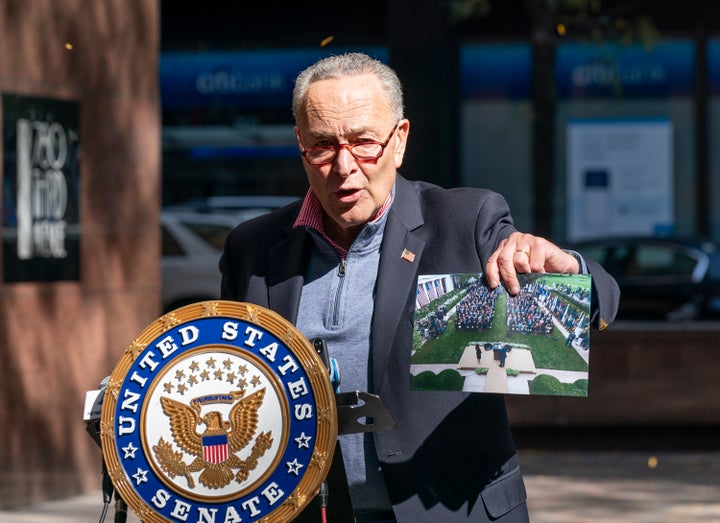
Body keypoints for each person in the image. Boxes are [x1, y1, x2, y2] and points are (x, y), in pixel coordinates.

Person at [220, 52, 620, 522]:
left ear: (399, 141)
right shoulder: (253, 247)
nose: (344, 165)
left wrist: (568, 268)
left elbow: (599, 300)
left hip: (448, 509)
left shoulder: (465, 221)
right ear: (300, 144)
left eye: (364, 142)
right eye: (323, 145)